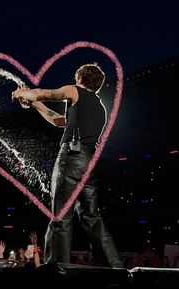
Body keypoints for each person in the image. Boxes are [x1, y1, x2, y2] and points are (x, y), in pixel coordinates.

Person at [12, 63, 123, 267]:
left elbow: (48, 93)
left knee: (61, 216)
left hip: (72, 158)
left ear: (79, 78)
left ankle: (57, 274)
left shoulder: (74, 90)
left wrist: (28, 94)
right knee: (92, 218)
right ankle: (116, 269)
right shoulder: (100, 108)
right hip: (90, 164)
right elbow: (58, 121)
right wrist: (35, 103)